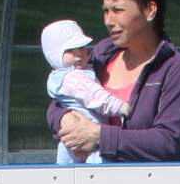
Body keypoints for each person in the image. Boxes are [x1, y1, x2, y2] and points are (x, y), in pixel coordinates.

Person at [47, 0, 180, 164]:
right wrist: (64, 118)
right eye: (106, 11)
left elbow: (169, 143)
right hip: (88, 180)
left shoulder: (176, 69)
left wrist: (100, 136)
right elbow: (59, 100)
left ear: (150, 10)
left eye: (118, 10)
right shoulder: (99, 57)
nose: (109, 21)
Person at [40, 19, 129, 166]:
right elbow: (96, 98)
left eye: (81, 48)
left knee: (64, 170)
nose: (79, 55)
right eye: (70, 51)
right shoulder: (75, 78)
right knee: (94, 166)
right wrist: (122, 108)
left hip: (78, 140)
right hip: (89, 138)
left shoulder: (60, 76)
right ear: (54, 56)